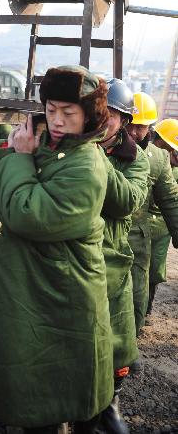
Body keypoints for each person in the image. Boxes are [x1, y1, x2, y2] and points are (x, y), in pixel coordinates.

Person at [0, 65, 114, 433]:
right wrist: (11, 150)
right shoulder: (43, 145)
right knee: (29, 374)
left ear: (89, 116)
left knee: (56, 377)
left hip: (60, 289)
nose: (57, 121)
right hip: (30, 283)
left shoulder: (87, 165)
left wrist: (20, 158)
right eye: (51, 110)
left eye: (69, 113)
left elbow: (28, 215)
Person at [98, 79, 149, 433]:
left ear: (125, 122)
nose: (103, 121)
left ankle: (110, 401)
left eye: (111, 115)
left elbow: (127, 201)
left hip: (112, 255)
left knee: (117, 335)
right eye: (98, 113)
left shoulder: (136, 159)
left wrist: (91, 159)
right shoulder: (69, 145)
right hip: (69, 249)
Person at [126, 93, 178, 343]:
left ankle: (127, 349)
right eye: (131, 124)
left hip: (139, 239)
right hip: (102, 236)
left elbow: (171, 200)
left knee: (138, 293)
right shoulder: (99, 150)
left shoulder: (157, 159)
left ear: (150, 128)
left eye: (141, 126)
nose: (135, 132)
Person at [146, 118, 178, 319]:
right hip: (141, 225)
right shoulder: (144, 159)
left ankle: (146, 309)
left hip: (162, 229)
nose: (169, 154)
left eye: (172, 150)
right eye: (165, 149)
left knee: (154, 271)